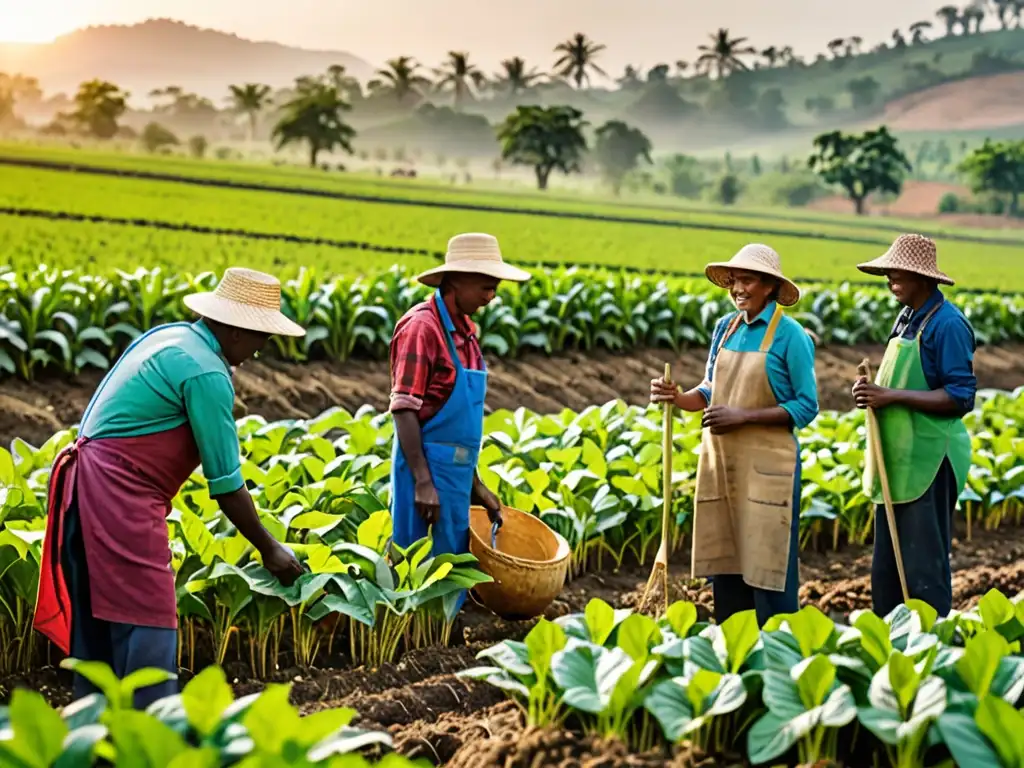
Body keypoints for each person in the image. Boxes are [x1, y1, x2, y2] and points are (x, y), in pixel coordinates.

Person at [34, 267, 307, 708]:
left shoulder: (171, 337)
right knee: (148, 614)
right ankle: (150, 726)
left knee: (100, 616)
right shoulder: (206, 373)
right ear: (238, 330)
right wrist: (269, 547)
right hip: (119, 494)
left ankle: (95, 731)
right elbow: (225, 482)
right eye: (263, 338)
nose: (261, 351)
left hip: (87, 485)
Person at [650, 244, 818, 626]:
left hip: (768, 469)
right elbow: (710, 390)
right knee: (726, 564)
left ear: (770, 287)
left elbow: (806, 406)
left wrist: (743, 417)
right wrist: (677, 398)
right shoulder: (725, 328)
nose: (737, 288)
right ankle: (733, 648)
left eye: (748, 280)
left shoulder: (791, 336)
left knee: (769, 564)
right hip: (723, 465)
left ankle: (776, 647)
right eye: (734, 280)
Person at [388, 233, 531, 614]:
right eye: (486, 286)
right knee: (416, 568)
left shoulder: (467, 334)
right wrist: (422, 481)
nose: (492, 296)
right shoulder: (422, 328)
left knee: (450, 564)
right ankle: (413, 651)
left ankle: (444, 640)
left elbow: (456, 431)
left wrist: (477, 487)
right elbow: (404, 408)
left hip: (454, 475)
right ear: (458, 279)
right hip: (425, 473)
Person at [851, 234, 975, 620]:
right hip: (897, 460)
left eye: (897, 271)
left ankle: (930, 651)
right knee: (886, 572)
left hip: (931, 458)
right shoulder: (906, 318)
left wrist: (891, 396)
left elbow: (960, 397)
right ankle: (890, 653)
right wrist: (869, 393)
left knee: (923, 571)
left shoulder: (948, 324)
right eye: (887, 272)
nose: (890, 278)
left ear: (924, 277)